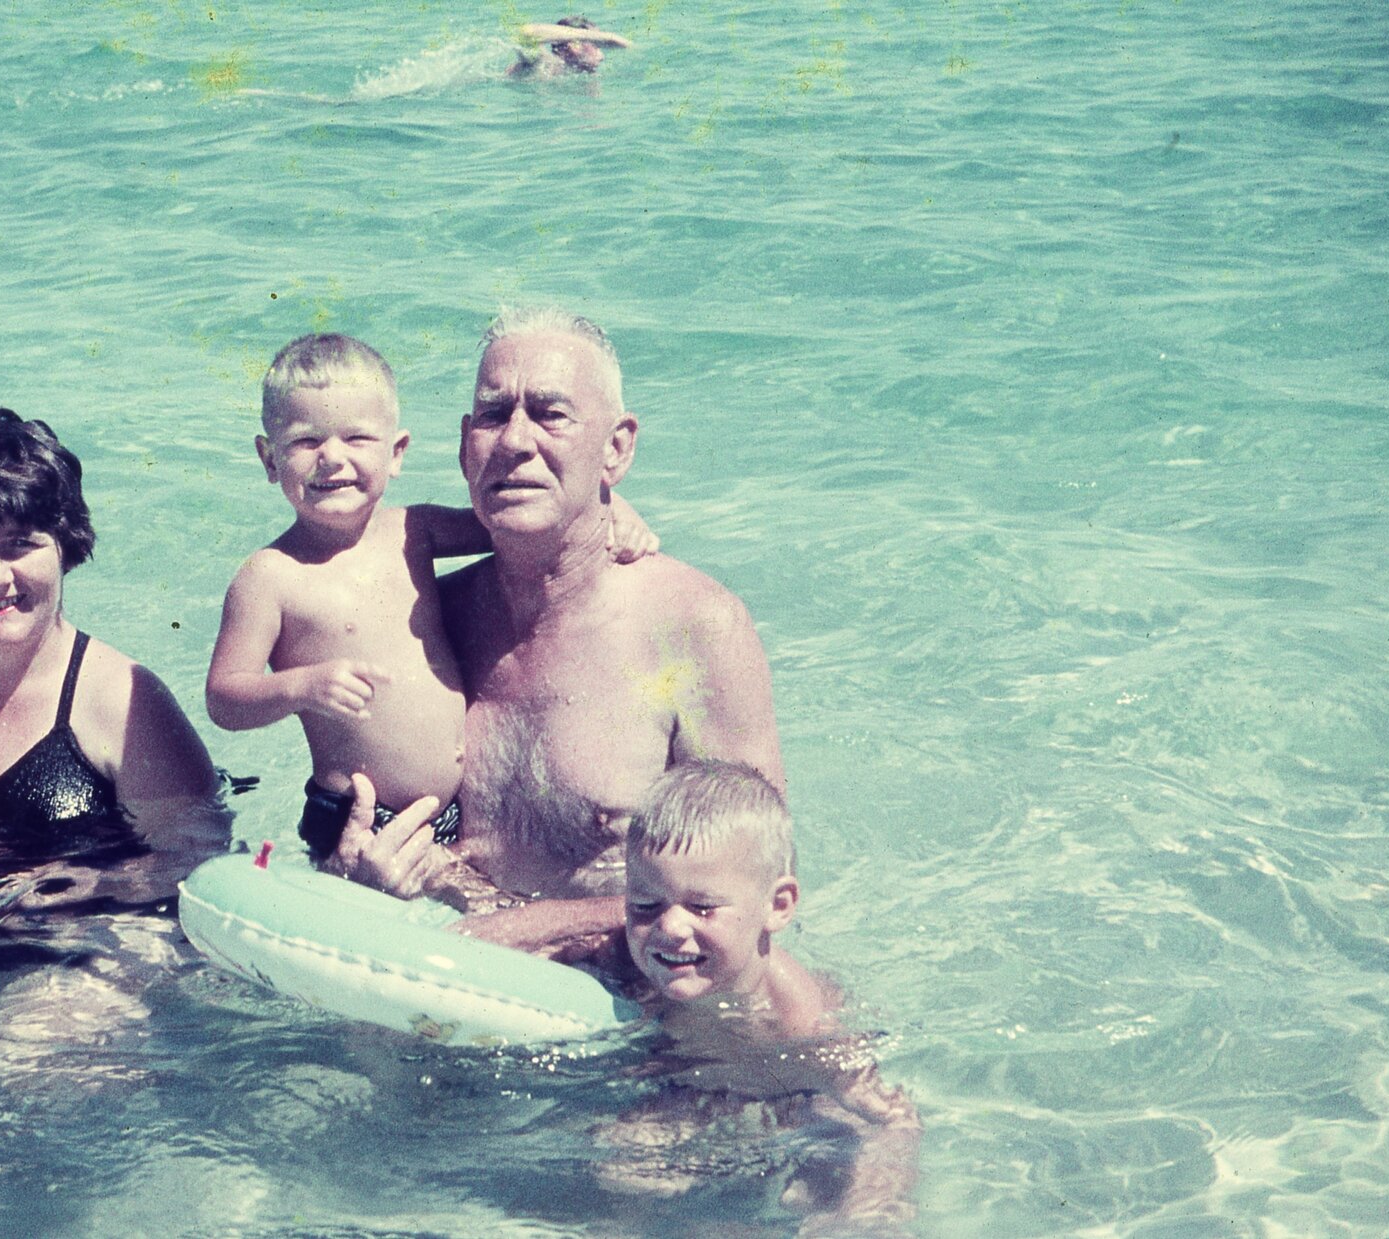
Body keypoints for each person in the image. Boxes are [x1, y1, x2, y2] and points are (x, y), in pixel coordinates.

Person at [327, 308, 784, 947]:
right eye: (493, 415)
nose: (514, 441)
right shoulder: (421, 625)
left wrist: (522, 928)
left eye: (550, 414)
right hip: (445, 993)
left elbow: (752, 889)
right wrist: (360, 873)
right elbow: (343, 829)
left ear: (616, 448)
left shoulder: (693, 629)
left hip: (627, 1016)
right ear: (465, 447)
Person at [206, 334, 656, 863]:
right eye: (306, 442)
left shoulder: (412, 531)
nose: (332, 458)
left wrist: (613, 508)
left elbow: (516, 520)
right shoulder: (269, 577)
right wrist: (301, 686)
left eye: (357, 438)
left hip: (455, 811)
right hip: (358, 817)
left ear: (396, 453)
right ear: (269, 457)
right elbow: (224, 699)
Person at [0, 405, 227, 906]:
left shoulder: (125, 702)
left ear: (65, 546)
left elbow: (203, 862)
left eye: (20, 544)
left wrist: (100, 883)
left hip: (84, 944)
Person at [596, 761, 919, 1233]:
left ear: (778, 906)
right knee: (624, 1171)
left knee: (815, 1192)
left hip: (793, 1089)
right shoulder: (633, 961)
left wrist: (869, 1199)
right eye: (645, 906)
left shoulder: (800, 1026)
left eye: (702, 907)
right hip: (697, 1077)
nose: (669, 928)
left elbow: (895, 1119)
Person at [510, 16, 634, 79]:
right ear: (574, 45)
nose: (602, 56)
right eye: (596, 45)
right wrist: (604, 37)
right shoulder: (544, 64)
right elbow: (526, 34)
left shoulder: (580, 74)